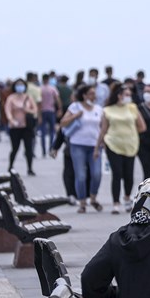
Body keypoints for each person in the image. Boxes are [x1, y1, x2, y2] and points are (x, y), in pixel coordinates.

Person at [96, 83, 146, 214]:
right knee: (117, 174)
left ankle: (127, 197)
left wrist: (130, 133)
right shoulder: (108, 110)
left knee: (129, 174)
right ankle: (116, 203)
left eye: (130, 95)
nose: (129, 97)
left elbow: (142, 127)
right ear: (119, 95)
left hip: (130, 144)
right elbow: (103, 129)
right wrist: (97, 147)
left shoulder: (133, 108)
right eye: (126, 95)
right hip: (113, 144)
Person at [60, 85, 104, 213]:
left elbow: (103, 127)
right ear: (84, 95)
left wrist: (102, 143)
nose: (94, 96)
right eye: (91, 93)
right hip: (78, 144)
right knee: (80, 175)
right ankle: (82, 202)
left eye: (94, 93)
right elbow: (63, 122)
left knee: (96, 174)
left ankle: (93, 197)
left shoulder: (99, 109)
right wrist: (75, 116)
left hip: (94, 145)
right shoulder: (75, 107)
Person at [4, 78, 38, 175]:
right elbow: (7, 110)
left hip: (27, 127)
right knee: (15, 148)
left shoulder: (28, 97)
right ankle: (10, 166)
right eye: (18, 85)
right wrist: (11, 120)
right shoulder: (11, 98)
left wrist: (27, 110)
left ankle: (30, 168)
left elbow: (35, 110)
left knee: (29, 148)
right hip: (15, 127)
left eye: (21, 85)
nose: (20, 87)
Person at [38, 75, 61, 157]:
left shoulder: (40, 89)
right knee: (52, 132)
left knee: (43, 132)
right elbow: (57, 99)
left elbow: (38, 103)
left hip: (42, 111)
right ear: (48, 79)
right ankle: (51, 148)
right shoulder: (52, 88)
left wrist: (39, 115)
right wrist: (60, 109)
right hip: (51, 111)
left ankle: (43, 151)